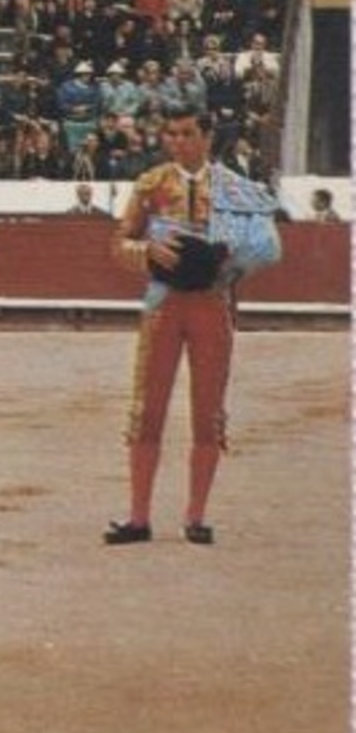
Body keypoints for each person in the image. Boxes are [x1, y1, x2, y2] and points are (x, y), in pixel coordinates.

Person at [105, 105, 282, 547]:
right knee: (148, 409)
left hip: (210, 303)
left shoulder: (233, 187)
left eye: (186, 133)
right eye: (170, 134)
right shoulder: (150, 184)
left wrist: (229, 265)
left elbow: (265, 247)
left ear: (206, 137)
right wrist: (146, 251)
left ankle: (196, 517)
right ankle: (139, 517)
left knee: (208, 411)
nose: (176, 142)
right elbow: (118, 243)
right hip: (163, 305)